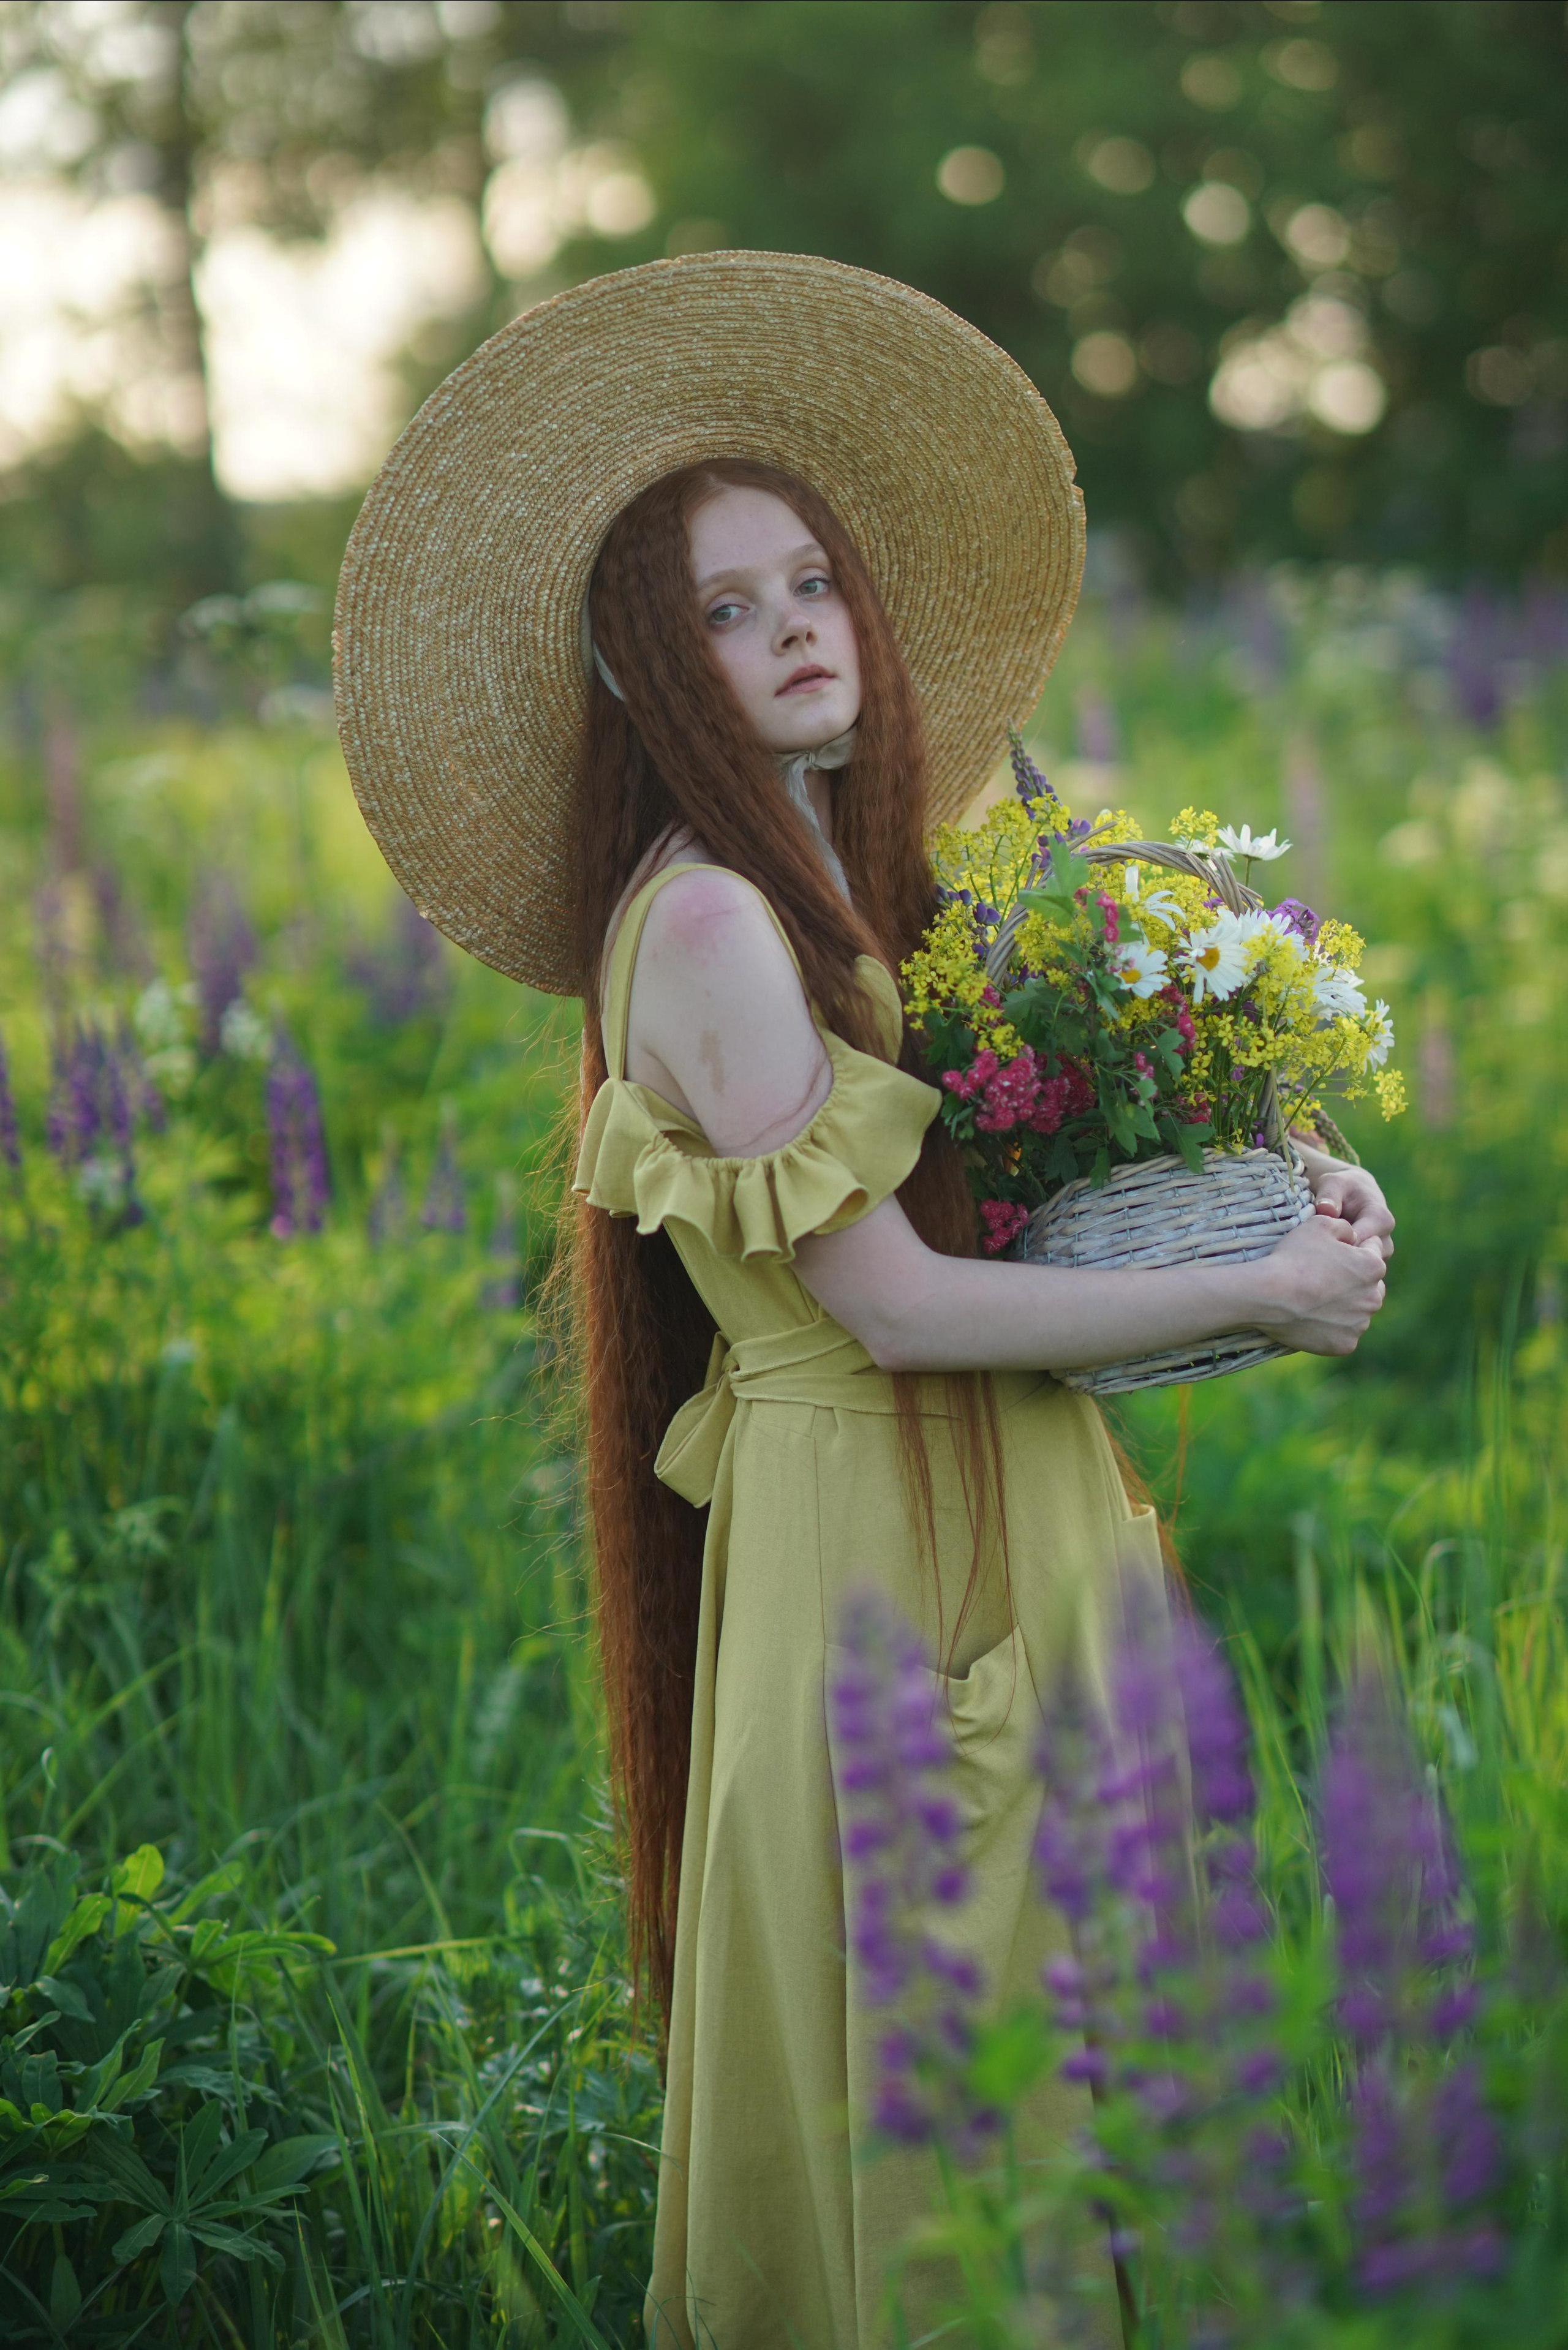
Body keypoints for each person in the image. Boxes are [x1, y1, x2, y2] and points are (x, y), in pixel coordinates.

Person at [334, 252, 1394, 2350]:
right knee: (960, 2059)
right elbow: (895, 1304)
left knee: (1064, 2037)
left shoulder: (845, 879)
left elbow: (1003, 1192)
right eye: (717, 612)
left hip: (979, 1498)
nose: (790, 631)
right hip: (889, 1527)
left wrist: (1265, 1178)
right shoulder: (717, 922)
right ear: (642, 678)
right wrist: (1265, 1298)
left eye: (806, 583)